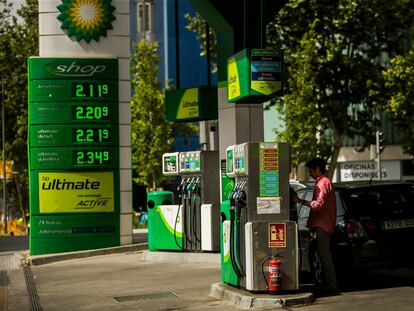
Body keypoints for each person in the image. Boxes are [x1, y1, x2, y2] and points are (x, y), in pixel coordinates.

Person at [293, 157, 338, 294]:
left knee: (325, 256)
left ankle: (332, 285)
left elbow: (318, 205)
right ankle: (329, 284)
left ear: (318, 169)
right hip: (323, 224)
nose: (310, 174)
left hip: (323, 226)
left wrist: (300, 201)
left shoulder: (323, 183)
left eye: (311, 171)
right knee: (323, 256)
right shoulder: (322, 182)